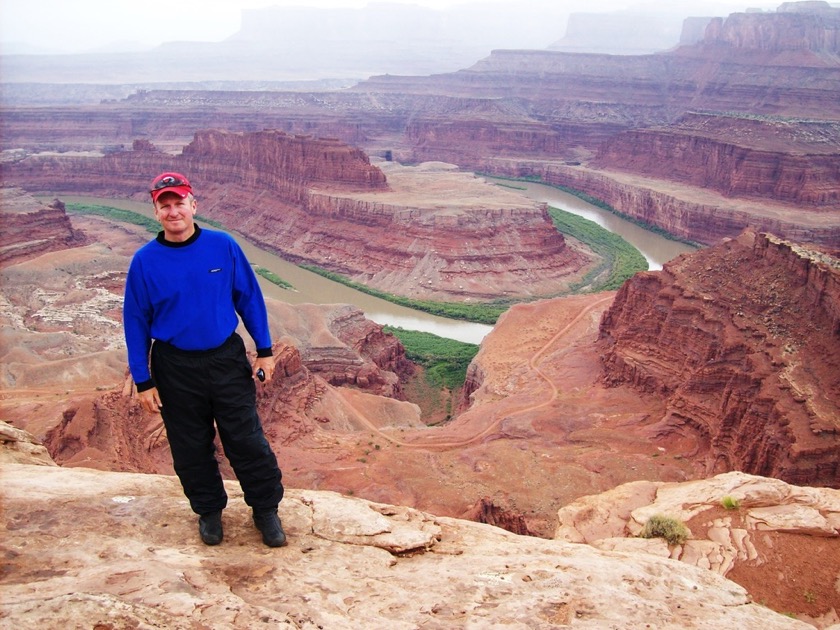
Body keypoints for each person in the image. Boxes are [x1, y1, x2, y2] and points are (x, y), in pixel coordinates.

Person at [123, 172, 286, 547]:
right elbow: (135, 323)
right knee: (189, 445)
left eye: (179, 202)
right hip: (174, 365)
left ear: (193, 205)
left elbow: (249, 298)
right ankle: (209, 512)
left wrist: (264, 350)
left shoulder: (222, 246)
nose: (173, 210)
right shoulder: (145, 262)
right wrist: (143, 380)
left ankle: (265, 510)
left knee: (245, 439)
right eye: (165, 205)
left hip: (225, 359)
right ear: (156, 212)